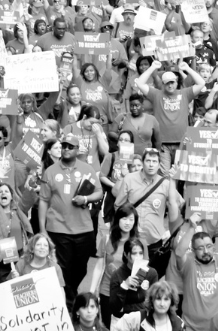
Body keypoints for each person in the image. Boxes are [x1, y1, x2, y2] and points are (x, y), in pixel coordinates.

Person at [39, 133, 103, 306]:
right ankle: (69, 303)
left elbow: (99, 192)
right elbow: (43, 200)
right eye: (63, 146)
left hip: (84, 228)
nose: (66, 149)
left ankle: (71, 293)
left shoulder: (87, 169)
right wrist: (43, 229)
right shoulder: (50, 171)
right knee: (63, 268)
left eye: (70, 146)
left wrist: (86, 199)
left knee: (81, 268)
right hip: (57, 228)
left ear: (77, 150)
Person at [112, 148, 180, 278]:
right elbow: (119, 207)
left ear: (159, 164)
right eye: (148, 160)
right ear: (143, 162)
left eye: (154, 161)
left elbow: (179, 205)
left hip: (154, 242)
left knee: (149, 281)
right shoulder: (129, 179)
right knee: (129, 279)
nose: (151, 164)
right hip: (133, 240)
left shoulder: (165, 184)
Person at [108, 238, 160, 320]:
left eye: (140, 253)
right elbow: (114, 308)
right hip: (122, 321)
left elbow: (154, 302)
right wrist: (124, 286)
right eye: (134, 254)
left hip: (143, 320)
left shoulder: (151, 273)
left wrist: (125, 308)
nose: (138, 257)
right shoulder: (117, 275)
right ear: (126, 254)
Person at [110, 281, 184, 331]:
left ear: (171, 302)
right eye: (158, 299)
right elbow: (119, 326)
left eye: (166, 299)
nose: (162, 304)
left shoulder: (178, 323)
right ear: (152, 300)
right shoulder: (139, 317)